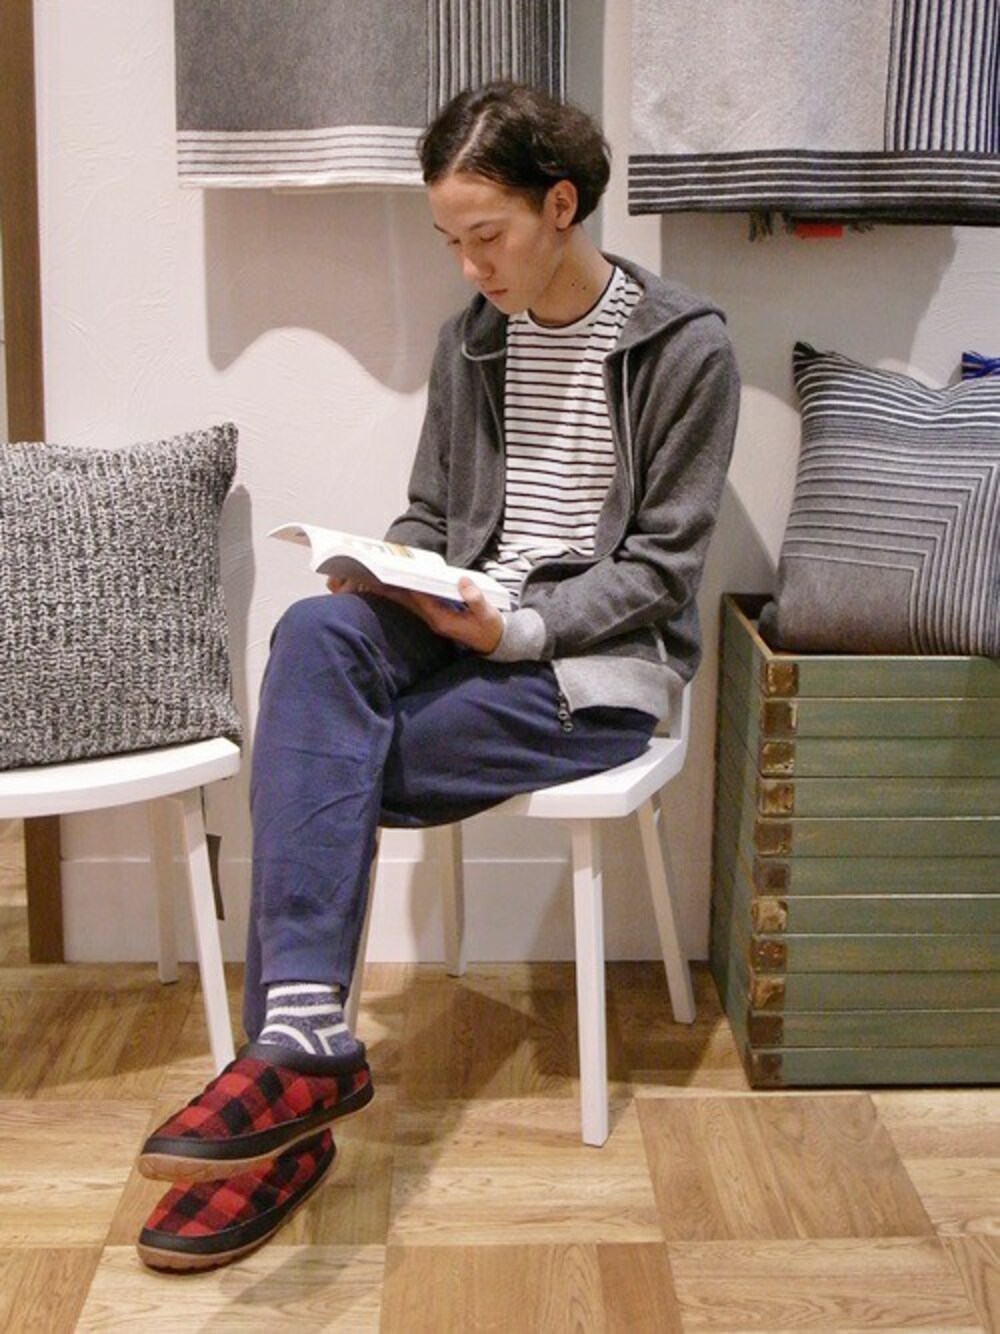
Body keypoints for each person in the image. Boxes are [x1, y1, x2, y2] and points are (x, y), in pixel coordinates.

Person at [133, 81, 740, 1271]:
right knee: (318, 634)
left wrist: (513, 630)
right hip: (465, 615)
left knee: (323, 760)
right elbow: (433, 511)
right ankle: (306, 1042)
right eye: (449, 241)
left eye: (486, 235)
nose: (468, 266)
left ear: (559, 205)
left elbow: (661, 571)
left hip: (596, 662)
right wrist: (391, 571)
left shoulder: (684, 348)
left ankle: (288, 1106)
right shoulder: (474, 338)